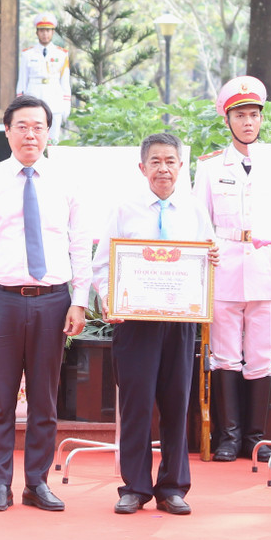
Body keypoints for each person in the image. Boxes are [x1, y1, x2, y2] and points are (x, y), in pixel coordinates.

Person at [0, 94, 88, 513]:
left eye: (38, 127)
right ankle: (0, 483)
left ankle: (37, 483)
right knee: (0, 399)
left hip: (53, 301)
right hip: (2, 301)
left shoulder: (67, 181)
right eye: (22, 126)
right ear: (7, 131)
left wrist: (80, 300)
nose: (30, 134)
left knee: (45, 401)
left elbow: (80, 245)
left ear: (48, 132)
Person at [93, 133, 218, 515]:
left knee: (176, 404)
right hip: (135, 322)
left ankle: (173, 488)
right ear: (142, 167)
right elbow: (102, 263)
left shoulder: (194, 210)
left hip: (179, 322)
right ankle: (134, 487)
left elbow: (209, 258)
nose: (163, 169)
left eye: (170, 161)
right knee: (136, 405)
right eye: (156, 162)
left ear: (181, 166)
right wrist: (109, 298)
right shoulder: (125, 210)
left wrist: (212, 259)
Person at [194, 74, 271, 462]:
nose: (248, 122)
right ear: (227, 120)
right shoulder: (211, 167)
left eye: (254, 115)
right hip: (225, 267)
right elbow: (201, 222)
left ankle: (255, 438)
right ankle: (228, 437)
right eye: (240, 115)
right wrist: (204, 268)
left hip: (266, 266)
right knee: (225, 355)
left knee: (262, 356)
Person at [15, 14, 71, 142]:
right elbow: (22, 81)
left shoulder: (61, 54)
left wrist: (66, 102)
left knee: (53, 138)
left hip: (54, 98)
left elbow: (65, 82)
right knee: (34, 136)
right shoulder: (27, 54)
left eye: (48, 30)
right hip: (33, 96)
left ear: (53, 32)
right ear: (37, 32)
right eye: (42, 30)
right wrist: (20, 102)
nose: (45, 34)